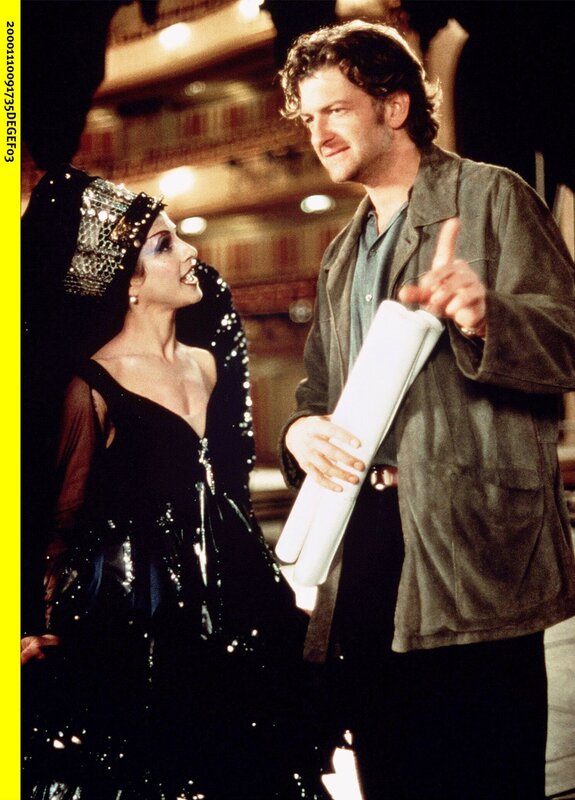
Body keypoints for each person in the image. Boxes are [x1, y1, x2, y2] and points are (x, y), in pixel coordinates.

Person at [277, 19, 575, 800]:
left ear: (394, 106)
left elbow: (568, 343)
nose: (318, 133)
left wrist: (486, 317)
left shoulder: (490, 195)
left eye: (335, 110)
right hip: (368, 544)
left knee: (485, 776)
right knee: (389, 771)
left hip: (474, 545)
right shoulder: (341, 255)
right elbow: (316, 394)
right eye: (308, 117)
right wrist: (300, 431)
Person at [20, 165, 333, 800]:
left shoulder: (209, 365)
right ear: (129, 283)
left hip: (234, 594)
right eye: (164, 245)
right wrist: (31, 623)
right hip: (137, 612)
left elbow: (228, 484)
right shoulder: (92, 385)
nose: (191, 251)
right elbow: (62, 521)